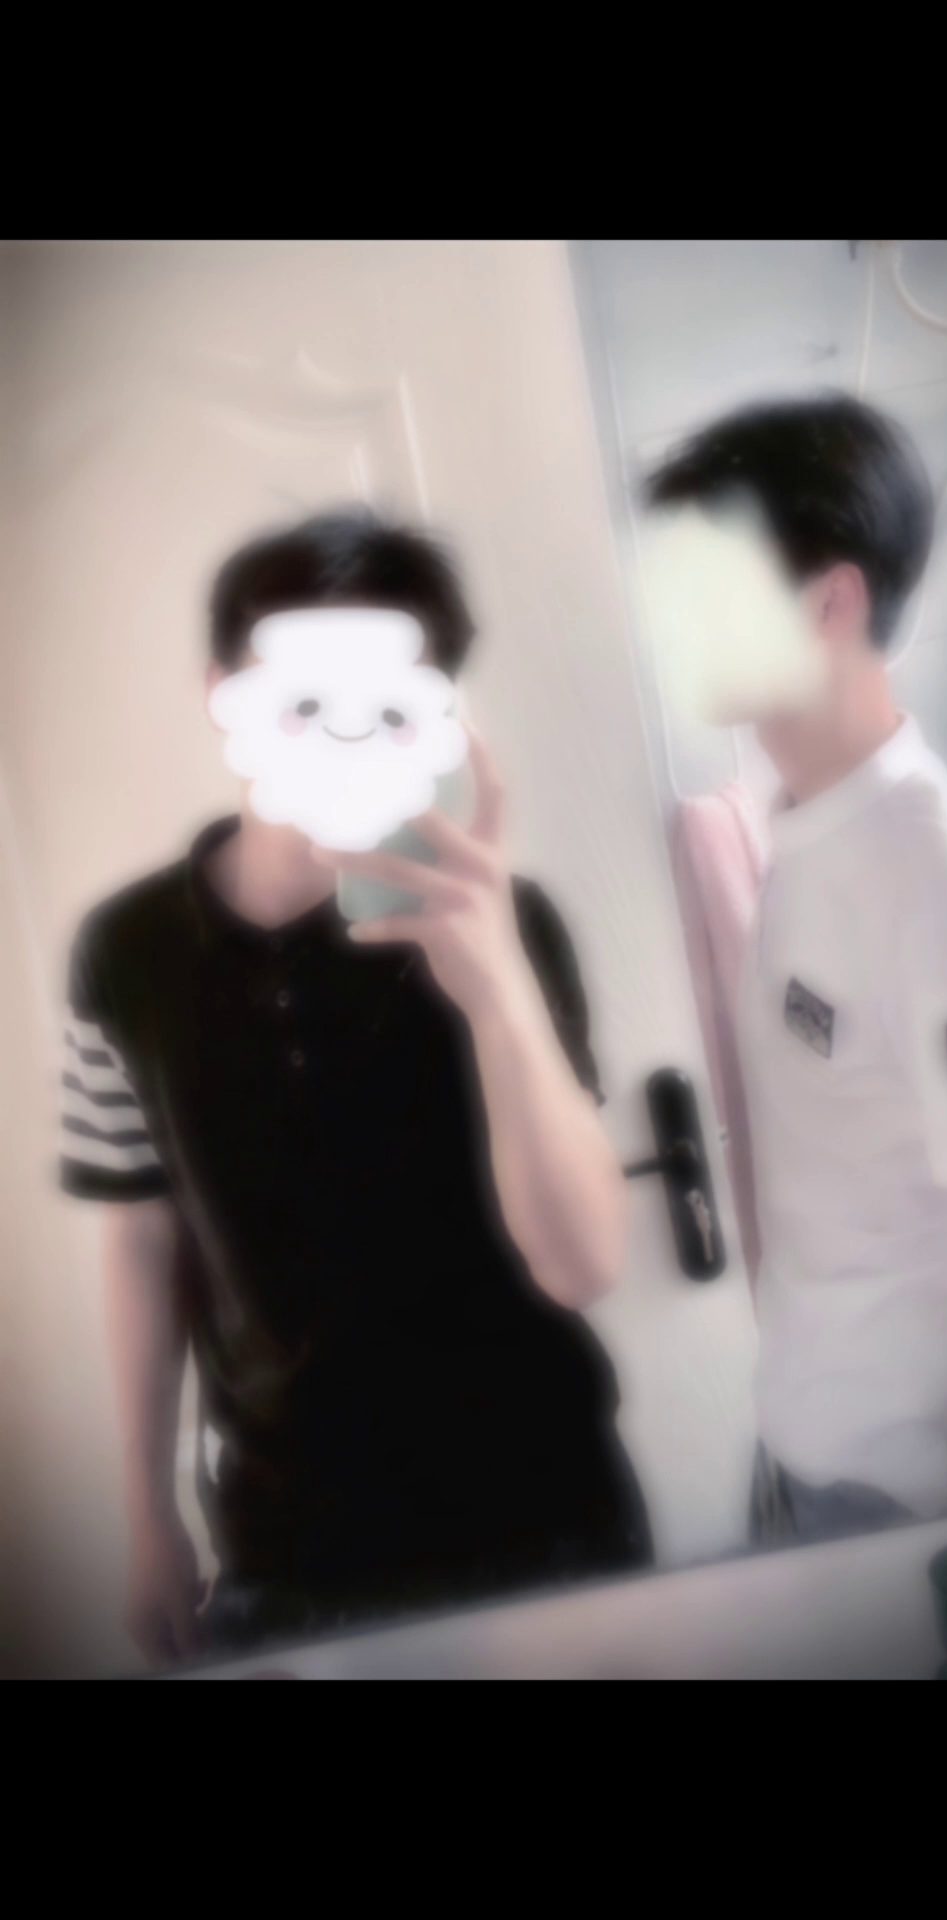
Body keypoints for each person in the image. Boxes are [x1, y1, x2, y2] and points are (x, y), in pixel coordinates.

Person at [59, 510, 651, 1667]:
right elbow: (139, 1238)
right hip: (286, 1552)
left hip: (545, 1518)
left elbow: (583, 1265)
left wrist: (495, 988)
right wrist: (146, 1515)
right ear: (224, 693)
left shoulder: (506, 920)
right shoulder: (125, 953)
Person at [645, 393, 947, 1547]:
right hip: (802, 1454)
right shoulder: (804, 827)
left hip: (916, 1505)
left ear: (831, 601)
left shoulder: (940, 878)